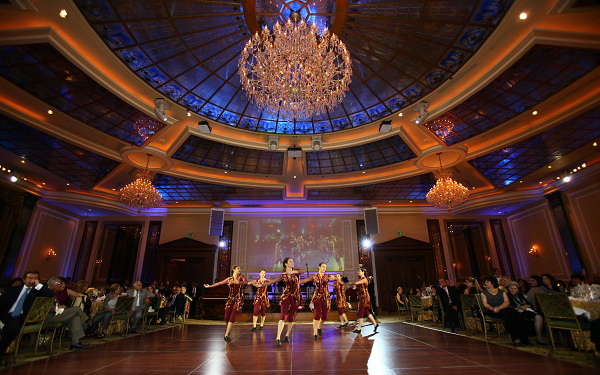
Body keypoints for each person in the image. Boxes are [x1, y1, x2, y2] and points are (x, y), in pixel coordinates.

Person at [0, 270, 54, 361]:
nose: (32, 280)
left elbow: (51, 294)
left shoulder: (37, 291)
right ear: (24, 279)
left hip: (20, 317)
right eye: (30, 278)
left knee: (12, 326)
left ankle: (1, 352)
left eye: (35, 278)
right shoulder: (12, 289)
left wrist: (38, 285)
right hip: (5, 314)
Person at [266, 257, 305, 346]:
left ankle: (287, 335)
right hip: (286, 296)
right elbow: (273, 281)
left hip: (295, 297)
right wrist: (262, 284)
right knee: (283, 316)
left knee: (291, 317)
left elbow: (303, 271)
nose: (293, 262)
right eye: (290, 261)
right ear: (286, 264)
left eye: (292, 261)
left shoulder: (297, 272)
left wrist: (292, 272)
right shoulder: (283, 275)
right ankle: (278, 337)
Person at [481, 276, 530, 346]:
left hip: (504, 307)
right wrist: (494, 309)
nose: (486, 283)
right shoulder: (484, 292)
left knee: (517, 315)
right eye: (485, 282)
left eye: (487, 282)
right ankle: (515, 338)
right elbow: (485, 304)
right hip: (492, 310)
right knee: (507, 316)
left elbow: (507, 302)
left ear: (493, 283)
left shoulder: (501, 291)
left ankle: (524, 338)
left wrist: (499, 308)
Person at [204, 265, 248, 341]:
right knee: (226, 317)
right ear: (234, 269)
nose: (239, 270)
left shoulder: (241, 277)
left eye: (240, 269)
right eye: (238, 269)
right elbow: (219, 283)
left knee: (232, 317)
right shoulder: (229, 279)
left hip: (238, 299)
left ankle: (226, 334)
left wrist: (239, 282)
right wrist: (210, 286)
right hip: (230, 299)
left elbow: (246, 282)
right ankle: (228, 330)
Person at [45, 277, 89, 349]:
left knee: (76, 318)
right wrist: (58, 307)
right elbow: (47, 308)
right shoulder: (46, 292)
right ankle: (86, 322)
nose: (61, 286)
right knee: (77, 309)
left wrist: (59, 307)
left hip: (58, 314)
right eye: (59, 284)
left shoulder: (53, 293)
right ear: (53, 284)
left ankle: (75, 343)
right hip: (49, 317)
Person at [301, 262, 335, 340]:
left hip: (326, 298)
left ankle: (319, 326)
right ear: (319, 267)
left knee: (325, 316)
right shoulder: (314, 276)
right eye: (323, 267)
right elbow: (305, 280)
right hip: (317, 297)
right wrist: (297, 282)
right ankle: (315, 333)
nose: (324, 268)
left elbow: (335, 278)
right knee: (317, 315)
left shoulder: (327, 276)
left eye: (325, 267)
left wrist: (335, 278)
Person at [350, 268, 379, 334]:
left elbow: (358, 283)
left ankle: (359, 328)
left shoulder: (364, 279)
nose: (358, 272)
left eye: (359, 271)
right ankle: (375, 324)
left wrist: (353, 283)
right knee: (366, 312)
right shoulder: (361, 280)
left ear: (363, 272)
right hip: (361, 297)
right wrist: (354, 287)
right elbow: (357, 286)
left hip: (364, 298)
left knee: (361, 312)